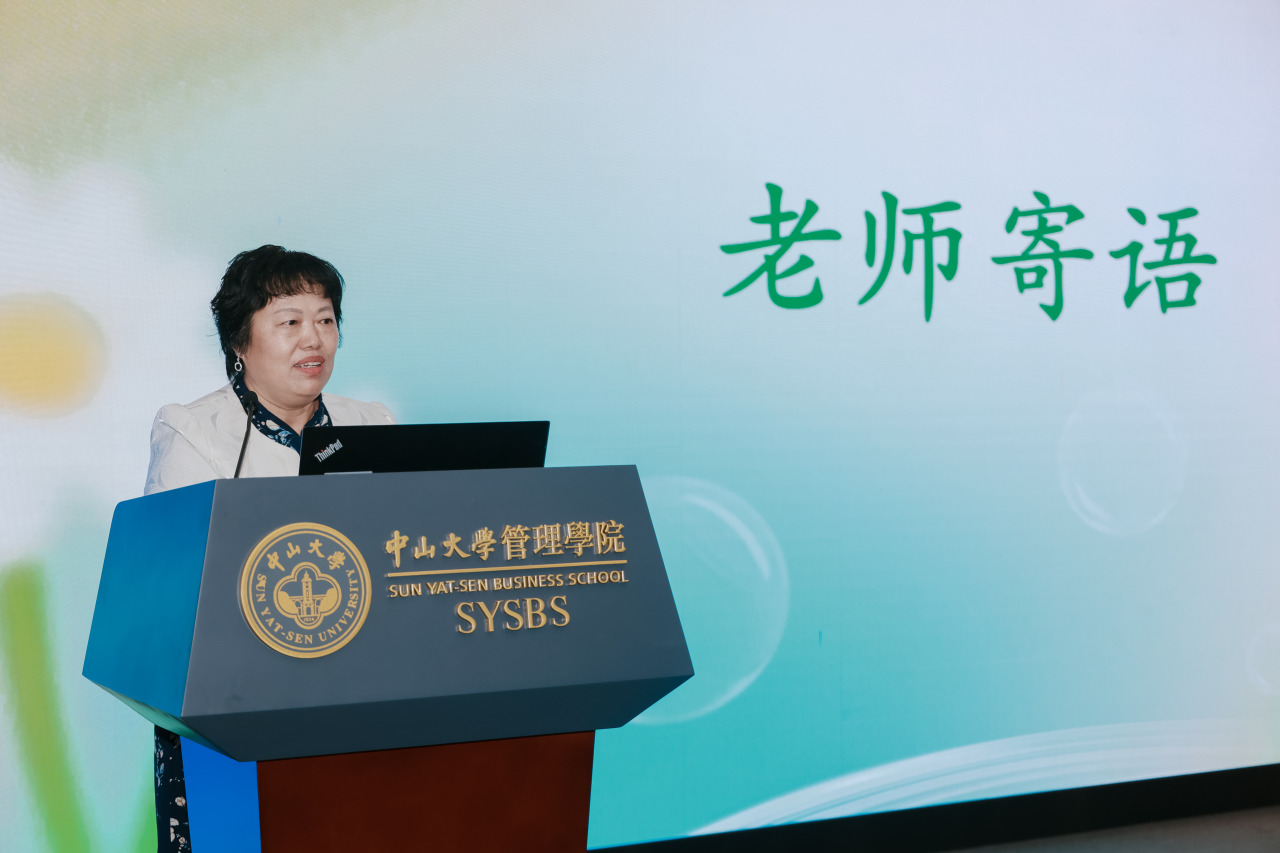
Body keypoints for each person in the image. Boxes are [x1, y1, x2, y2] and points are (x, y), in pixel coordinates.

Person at [144, 245, 394, 850]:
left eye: (326, 319)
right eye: (290, 321)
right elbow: (172, 583)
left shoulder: (373, 425)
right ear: (240, 340)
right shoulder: (193, 432)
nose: (314, 338)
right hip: (232, 705)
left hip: (360, 693)